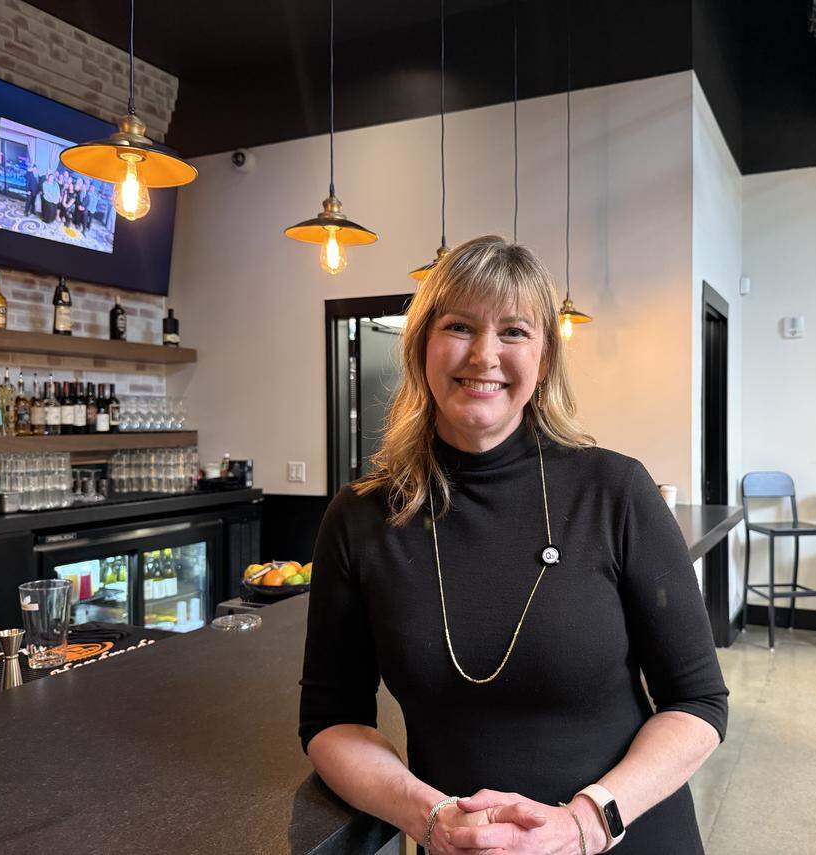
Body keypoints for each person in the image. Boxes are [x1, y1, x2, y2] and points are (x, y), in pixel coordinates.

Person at [300, 236, 728, 854]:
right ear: (422, 347)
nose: (484, 354)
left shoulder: (615, 490)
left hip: (623, 837)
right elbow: (330, 721)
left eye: (514, 332)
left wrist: (584, 823)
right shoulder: (361, 518)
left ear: (545, 359)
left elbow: (697, 702)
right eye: (459, 326)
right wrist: (427, 816)